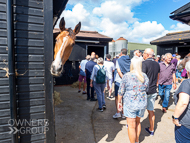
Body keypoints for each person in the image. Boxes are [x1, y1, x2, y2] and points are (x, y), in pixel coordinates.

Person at [118, 57, 149, 143]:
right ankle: (137, 140)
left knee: (131, 126)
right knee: (138, 122)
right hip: (142, 102)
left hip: (130, 103)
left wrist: (119, 102)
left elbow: (121, 91)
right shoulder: (144, 76)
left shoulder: (126, 76)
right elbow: (147, 89)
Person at [142, 48, 160, 136]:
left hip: (144, 91)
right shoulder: (157, 64)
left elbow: (142, 78)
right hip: (153, 90)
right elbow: (158, 75)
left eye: (144, 53)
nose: (143, 54)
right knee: (151, 110)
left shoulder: (144, 64)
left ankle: (134, 125)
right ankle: (151, 129)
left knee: (140, 110)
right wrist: (156, 83)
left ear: (147, 54)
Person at [173, 61, 190, 143]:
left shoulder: (187, 83)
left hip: (187, 124)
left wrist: (175, 117)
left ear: (187, 71)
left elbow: (183, 102)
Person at [113, 48, 131, 118]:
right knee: (125, 97)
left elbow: (119, 71)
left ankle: (118, 112)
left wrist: (124, 79)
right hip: (128, 80)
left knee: (117, 97)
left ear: (121, 53)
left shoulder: (119, 60)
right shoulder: (130, 60)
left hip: (119, 81)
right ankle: (123, 113)